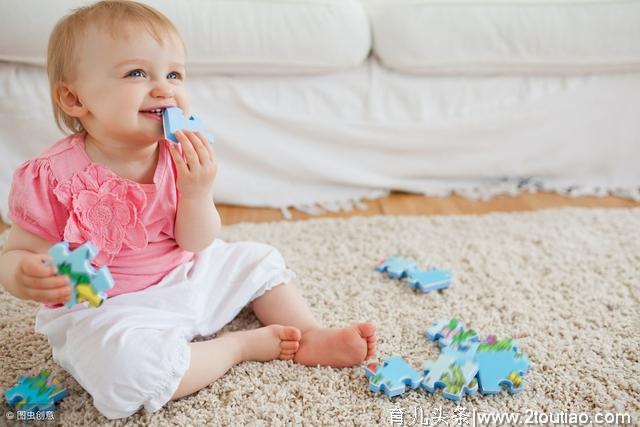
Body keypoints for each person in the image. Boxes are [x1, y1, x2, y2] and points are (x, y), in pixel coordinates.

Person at [0, 1, 376, 419]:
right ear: (75, 98)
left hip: (187, 274)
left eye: (174, 74)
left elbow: (196, 242)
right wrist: (22, 273)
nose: (164, 88)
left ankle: (308, 333)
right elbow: (17, 251)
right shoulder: (52, 177)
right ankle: (235, 347)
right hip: (111, 309)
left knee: (258, 260)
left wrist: (198, 192)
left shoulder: (177, 153)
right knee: (126, 372)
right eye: (136, 73)